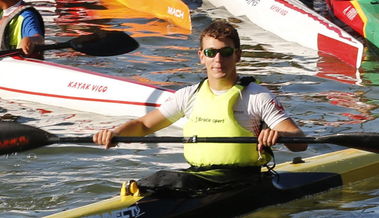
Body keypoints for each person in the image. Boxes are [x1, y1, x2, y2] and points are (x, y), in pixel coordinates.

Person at [92, 20, 306, 166]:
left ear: (238, 55)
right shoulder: (188, 95)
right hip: (200, 178)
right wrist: (115, 134)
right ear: (202, 57)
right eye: (211, 53)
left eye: (226, 52)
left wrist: (279, 135)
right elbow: (144, 125)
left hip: (244, 180)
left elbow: (301, 142)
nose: (218, 60)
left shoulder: (257, 97)